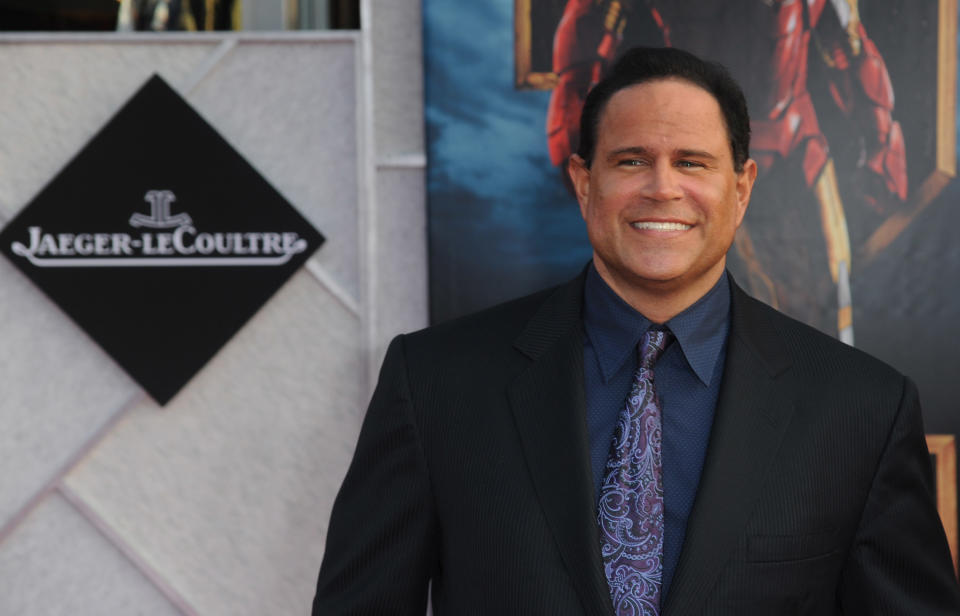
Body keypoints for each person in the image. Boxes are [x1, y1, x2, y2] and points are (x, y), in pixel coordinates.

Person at [313, 47, 959, 615]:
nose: (662, 188)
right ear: (584, 183)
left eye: (692, 163)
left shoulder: (862, 413)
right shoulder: (434, 387)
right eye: (630, 161)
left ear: (741, 190)